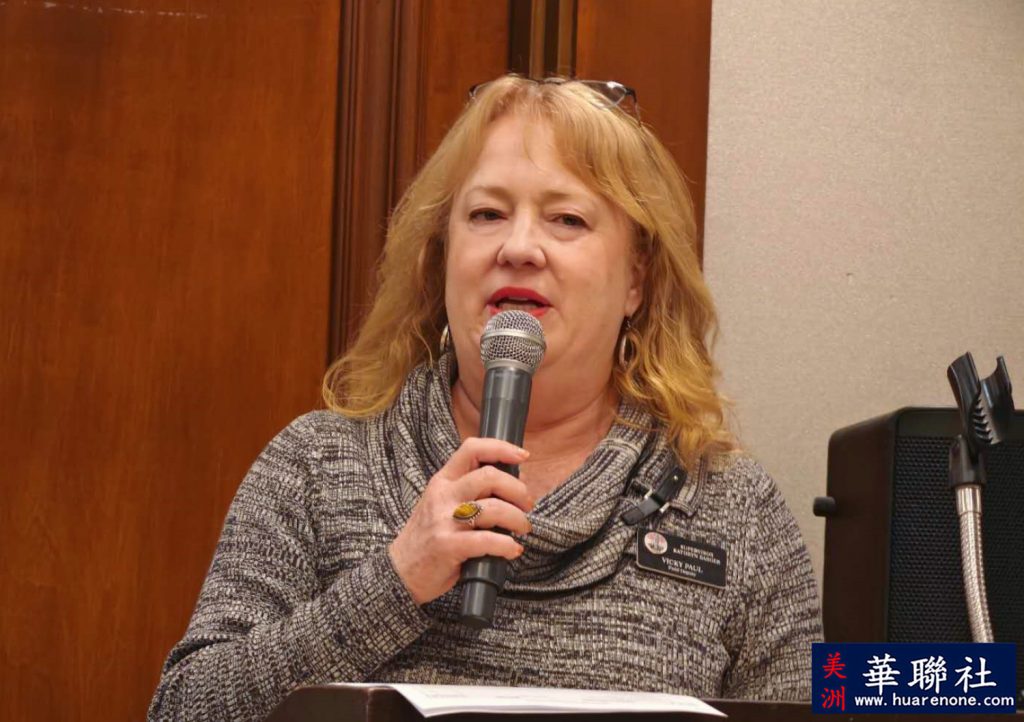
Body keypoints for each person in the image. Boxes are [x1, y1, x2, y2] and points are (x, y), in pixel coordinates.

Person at [148, 75, 822, 722]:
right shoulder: (316, 465)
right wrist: (396, 579)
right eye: (487, 214)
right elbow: (181, 711)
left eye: (566, 219)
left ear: (636, 281)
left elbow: (815, 713)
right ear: (442, 257)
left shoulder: (734, 508)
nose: (519, 247)